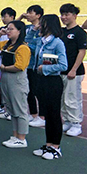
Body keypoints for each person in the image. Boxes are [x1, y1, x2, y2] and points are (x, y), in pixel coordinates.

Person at [30, 14, 68, 160]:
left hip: (52, 81)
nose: (39, 25)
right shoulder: (41, 41)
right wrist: (33, 30)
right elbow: (27, 43)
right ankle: (48, 144)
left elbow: (63, 65)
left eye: (42, 23)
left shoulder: (57, 43)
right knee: (46, 114)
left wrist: (44, 69)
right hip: (41, 80)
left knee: (54, 114)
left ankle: (56, 146)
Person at [0, 20, 31, 148]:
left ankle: (22, 137)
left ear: (19, 31)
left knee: (20, 109)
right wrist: (0, 33)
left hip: (16, 80)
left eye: (11, 29)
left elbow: (20, 66)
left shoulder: (22, 47)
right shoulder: (7, 45)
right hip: (6, 79)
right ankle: (15, 135)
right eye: (7, 29)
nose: (8, 31)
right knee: (11, 108)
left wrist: (4, 68)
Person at [59, 4, 86, 137]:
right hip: (62, 70)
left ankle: (76, 123)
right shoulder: (62, 32)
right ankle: (68, 120)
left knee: (72, 98)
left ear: (74, 16)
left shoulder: (80, 33)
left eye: (67, 14)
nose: (64, 17)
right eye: (62, 14)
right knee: (63, 98)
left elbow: (82, 52)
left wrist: (74, 69)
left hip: (73, 72)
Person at [21, 5, 45, 127]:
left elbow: (40, 48)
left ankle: (41, 116)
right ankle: (33, 114)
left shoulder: (43, 28)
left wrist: (27, 46)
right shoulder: (27, 28)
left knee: (37, 91)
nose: (28, 14)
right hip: (26, 64)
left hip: (37, 65)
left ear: (38, 15)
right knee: (28, 91)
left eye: (30, 12)